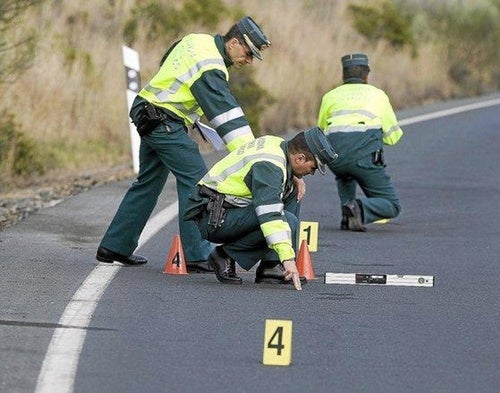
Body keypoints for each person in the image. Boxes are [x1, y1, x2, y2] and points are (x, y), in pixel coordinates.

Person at [96, 16, 272, 267]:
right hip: (164, 120)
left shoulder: (197, 40)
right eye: (248, 53)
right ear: (234, 42)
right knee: (197, 181)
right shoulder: (211, 66)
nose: (249, 60)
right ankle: (198, 255)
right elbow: (228, 118)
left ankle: (114, 246)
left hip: (149, 111)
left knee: (147, 183)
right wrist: (255, 158)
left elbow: (167, 63)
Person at [183, 127, 338, 290]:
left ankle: (271, 266)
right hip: (213, 219)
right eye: (313, 168)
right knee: (285, 220)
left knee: (293, 190)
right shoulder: (269, 167)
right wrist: (288, 259)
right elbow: (269, 214)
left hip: (223, 209)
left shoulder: (278, 144)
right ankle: (225, 255)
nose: (312, 173)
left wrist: (294, 176)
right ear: (299, 158)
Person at [317, 53, 403, 232]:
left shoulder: (330, 96)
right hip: (363, 158)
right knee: (392, 205)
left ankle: (346, 217)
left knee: (344, 175)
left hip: (336, 159)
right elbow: (393, 136)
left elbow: (321, 130)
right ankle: (358, 208)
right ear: (367, 76)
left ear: (343, 75)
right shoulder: (377, 95)